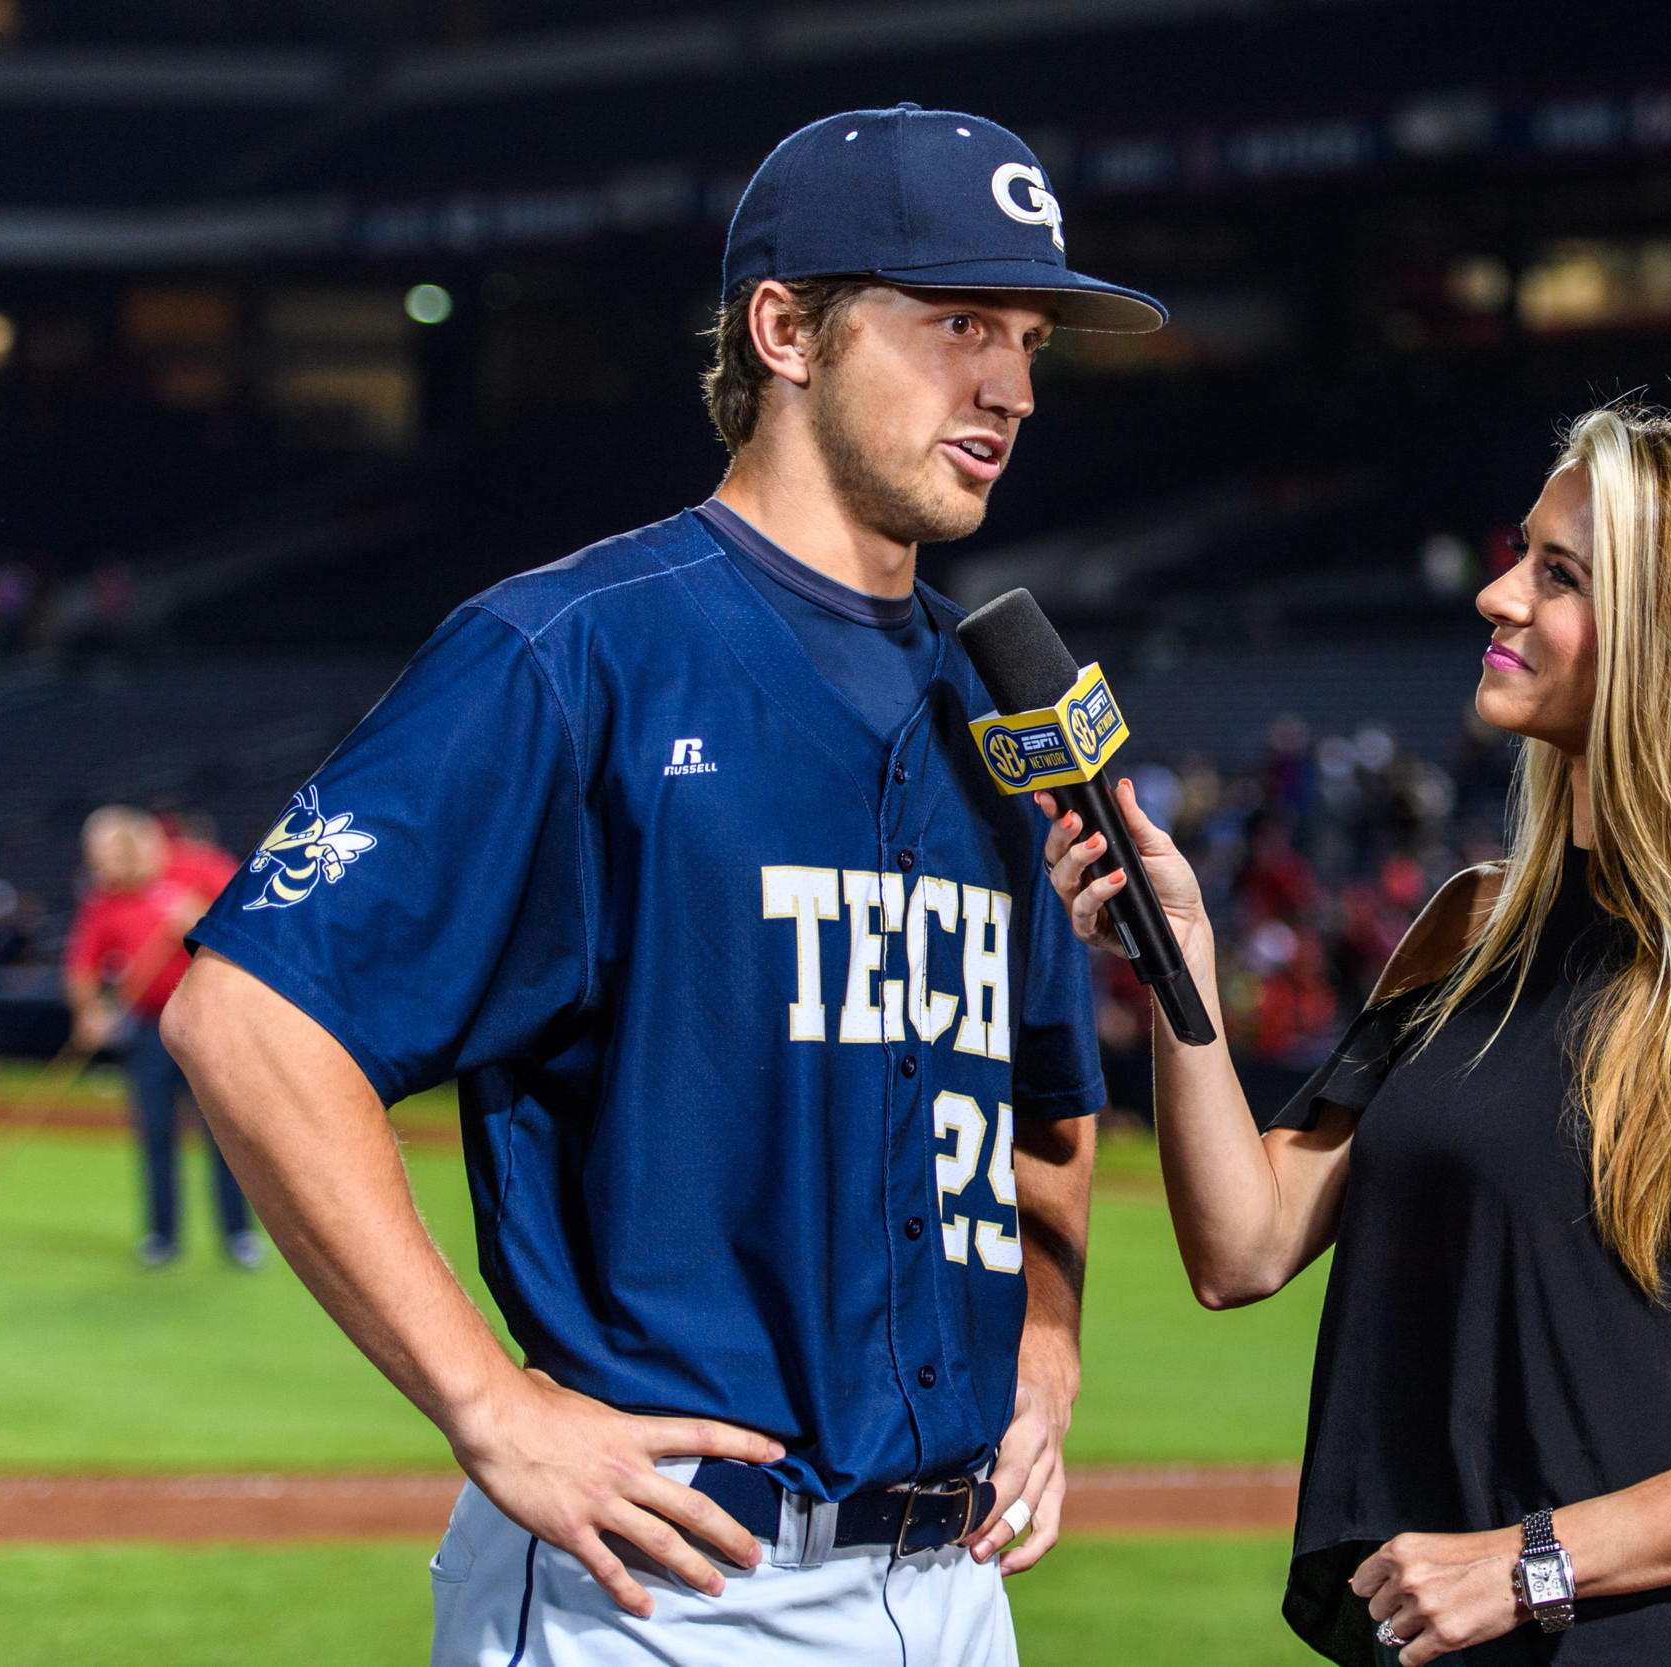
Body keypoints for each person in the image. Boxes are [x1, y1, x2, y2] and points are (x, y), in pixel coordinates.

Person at [164, 103, 1161, 1666]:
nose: (1013, 386)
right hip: (670, 1583)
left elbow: (1048, 1089)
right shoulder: (572, 653)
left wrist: (1049, 1340)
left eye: (1030, 336)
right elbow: (245, 1017)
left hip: (954, 1585)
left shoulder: (999, 708)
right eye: (960, 320)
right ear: (787, 329)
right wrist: (490, 1402)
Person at [1041, 405, 1671, 1666]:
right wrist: (1177, 964)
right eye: (1520, 551)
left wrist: (1532, 1561)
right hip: (1438, 1630)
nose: (1496, 592)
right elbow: (1241, 1245)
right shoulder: (1470, 925)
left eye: (1558, 573)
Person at [61, 808, 255, 1268]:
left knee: (224, 1133)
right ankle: (162, 1237)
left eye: (104, 858)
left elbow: (251, 917)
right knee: (155, 1132)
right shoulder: (105, 897)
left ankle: (238, 1237)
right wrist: (89, 1013)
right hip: (149, 1028)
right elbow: (82, 964)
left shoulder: (200, 866)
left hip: (211, 1023)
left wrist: (201, 920)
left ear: (134, 845)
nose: (99, 870)